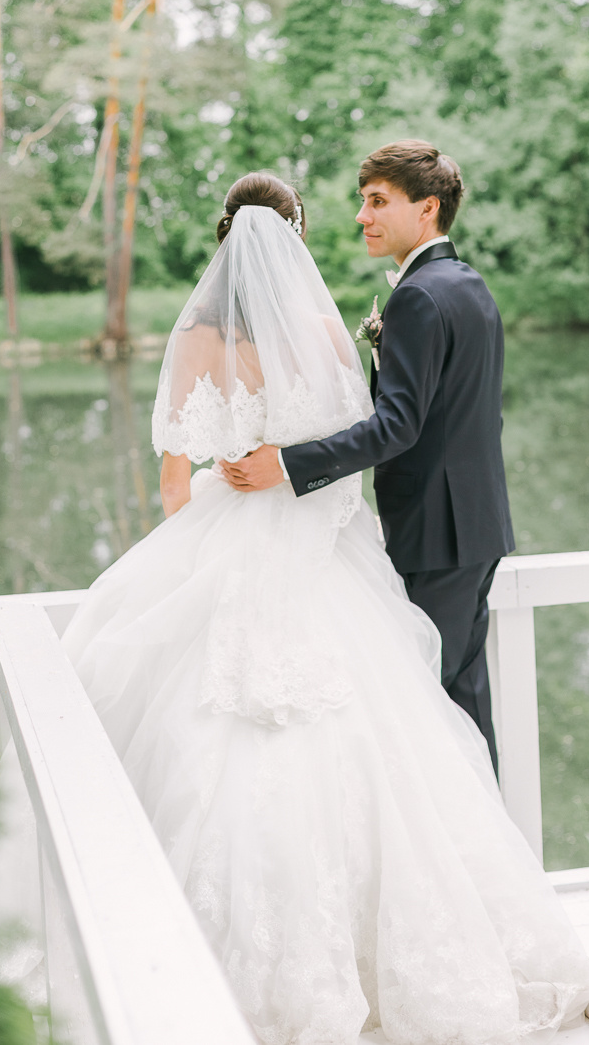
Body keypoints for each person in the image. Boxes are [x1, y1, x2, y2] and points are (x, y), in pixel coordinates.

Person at [40, 171, 589, 1044]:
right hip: (319, 548)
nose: (360, 216)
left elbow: (171, 487)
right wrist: (308, 517)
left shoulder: (192, 337)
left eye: (378, 199)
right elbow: (355, 456)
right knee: (405, 731)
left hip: (226, 538)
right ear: (294, 235)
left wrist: (208, 551)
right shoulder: (319, 328)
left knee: (196, 733)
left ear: (223, 233)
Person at [221, 141, 513, 774]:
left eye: (378, 201)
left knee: (432, 715)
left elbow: (397, 427)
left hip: (436, 534)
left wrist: (289, 464)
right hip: (474, 525)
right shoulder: (467, 285)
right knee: (460, 704)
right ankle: (490, 853)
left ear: (427, 208)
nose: (362, 217)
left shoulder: (418, 296)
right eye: (363, 201)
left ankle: (473, 862)